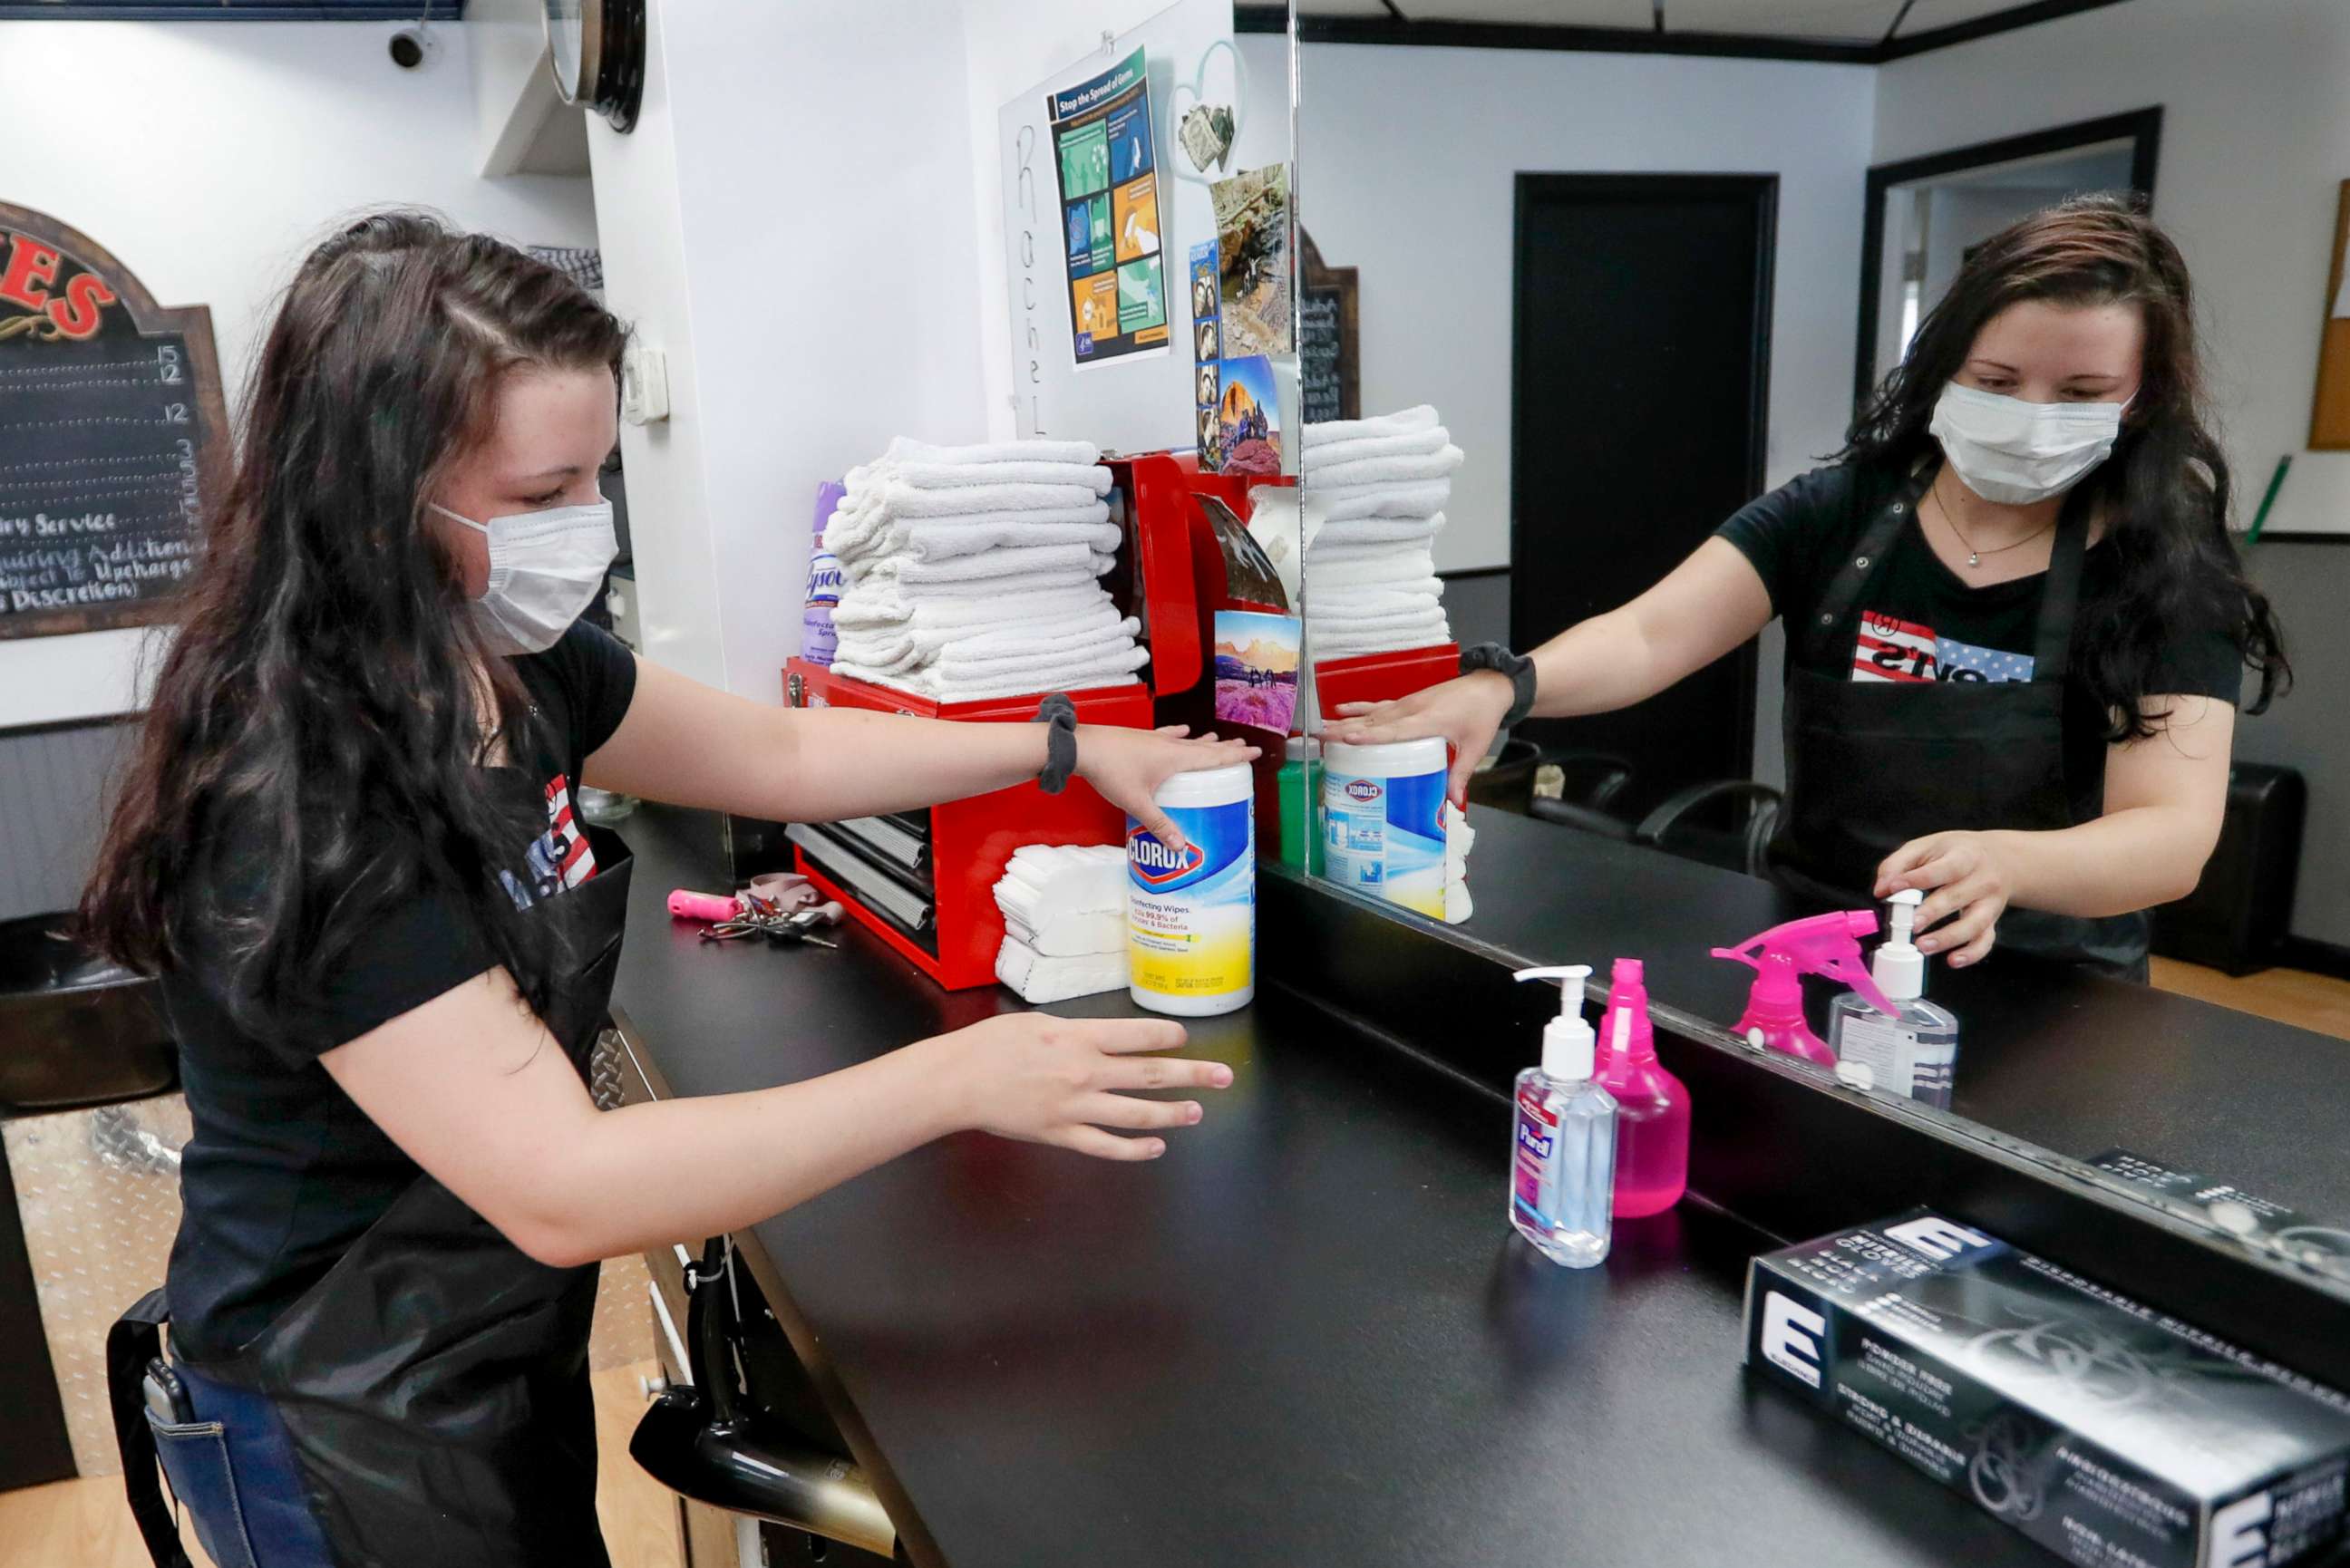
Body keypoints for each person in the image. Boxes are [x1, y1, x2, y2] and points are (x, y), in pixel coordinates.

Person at [79, 211, 1252, 1567]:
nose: (583, 528)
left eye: (597, 479)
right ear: (376, 491)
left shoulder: (515, 665)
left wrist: (1064, 738)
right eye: (537, 495)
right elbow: (563, 1181)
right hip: (328, 1400)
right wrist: (960, 1079)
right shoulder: (300, 793)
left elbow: (787, 750)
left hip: (476, 1346)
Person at [1335, 197, 2287, 979]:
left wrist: (2010, 861)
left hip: (2054, 989)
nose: (2031, 415)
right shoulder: (1839, 511)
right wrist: (1506, 683)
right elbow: (1651, 636)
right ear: (1945, 365)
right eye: (1997, 379)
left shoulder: (2168, 571)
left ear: (2143, 398)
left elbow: (2172, 833)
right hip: (1816, 951)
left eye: (2081, 394)